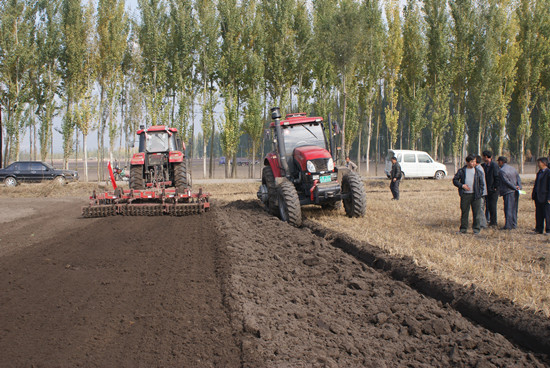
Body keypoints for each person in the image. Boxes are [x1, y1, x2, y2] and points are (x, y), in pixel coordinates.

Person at [453, 155, 485, 234]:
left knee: (476, 213)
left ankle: (476, 229)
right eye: (471, 161)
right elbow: (455, 180)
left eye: (474, 161)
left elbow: (482, 184)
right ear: (467, 162)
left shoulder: (478, 172)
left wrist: (479, 193)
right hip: (465, 195)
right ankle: (463, 229)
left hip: (476, 196)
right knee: (464, 212)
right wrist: (462, 185)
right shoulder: (462, 171)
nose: (473, 163)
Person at [497, 156, 522, 230]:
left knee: (508, 208)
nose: (498, 163)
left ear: (501, 162)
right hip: (516, 191)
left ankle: (508, 225)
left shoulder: (502, 170)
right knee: (514, 208)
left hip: (508, 191)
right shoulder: (513, 168)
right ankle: (514, 224)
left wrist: (514, 187)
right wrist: (518, 187)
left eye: (499, 162)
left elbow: (506, 181)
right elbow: (518, 178)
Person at [481, 151, 500, 227]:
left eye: (484, 157)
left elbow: (497, 177)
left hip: (493, 190)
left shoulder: (494, 165)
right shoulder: (483, 166)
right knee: (487, 205)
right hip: (486, 189)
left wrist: (495, 187)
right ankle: (487, 220)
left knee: (492, 206)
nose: (483, 158)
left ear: (486, 157)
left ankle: (493, 222)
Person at [532, 157, 550, 234]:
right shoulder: (539, 172)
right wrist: (534, 194)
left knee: (547, 214)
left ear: (544, 163)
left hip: (545, 196)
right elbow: (536, 184)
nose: (538, 164)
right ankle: (539, 228)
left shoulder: (548, 172)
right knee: (539, 213)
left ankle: (548, 229)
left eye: (539, 163)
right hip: (538, 196)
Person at [475, 155, 488, 228]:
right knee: (481, 208)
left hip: (481, 192)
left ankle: (482, 224)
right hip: (482, 191)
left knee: (480, 208)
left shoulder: (478, 169)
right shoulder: (479, 168)